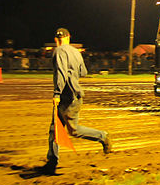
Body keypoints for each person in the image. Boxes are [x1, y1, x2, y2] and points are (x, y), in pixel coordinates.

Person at [40, 28, 112, 175]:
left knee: (73, 131)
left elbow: (61, 72)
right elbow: (83, 72)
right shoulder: (76, 52)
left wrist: (57, 93)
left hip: (67, 98)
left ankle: (102, 136)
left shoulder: (59, 51)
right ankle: (52, 162)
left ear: (55, 40)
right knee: (55, 128)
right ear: (68, 37)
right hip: (75, 96)